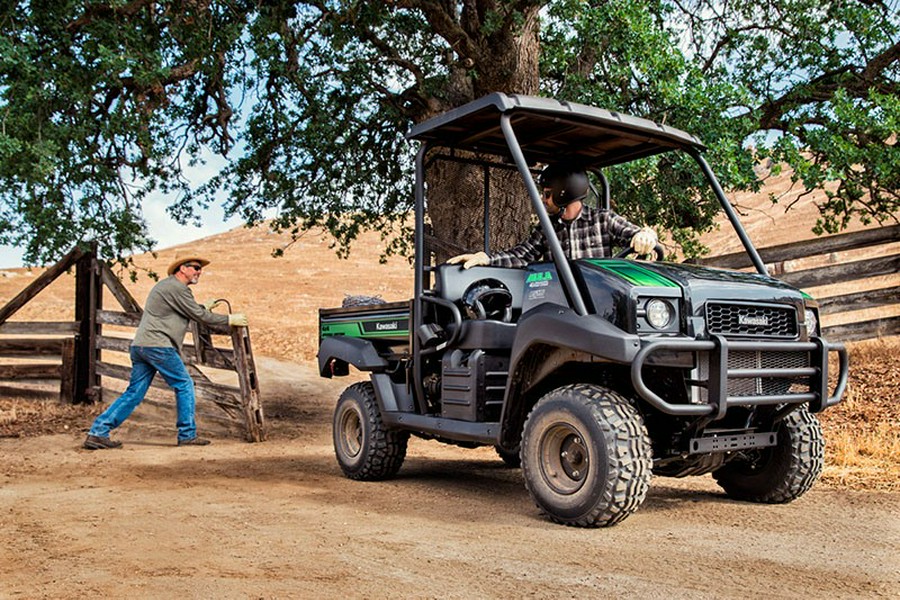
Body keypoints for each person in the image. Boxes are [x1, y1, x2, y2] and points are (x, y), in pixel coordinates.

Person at [83, 255, 249, 450]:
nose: (199, 271)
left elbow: (188, 310)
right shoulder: (177, 288)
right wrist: (229, 319)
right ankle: (187, 434)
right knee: (184, 383)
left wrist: (204, 306)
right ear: (182, 268)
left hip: (142, 346)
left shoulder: (170, 287)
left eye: (199, 268)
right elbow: (198, 315)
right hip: (158, 346)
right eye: (195, 267)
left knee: (134, 392)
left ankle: (98, 432)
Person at [447, 165, 658, 269]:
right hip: (561, 303)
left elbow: (637, 236)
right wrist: (487, 258)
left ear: (563, 193)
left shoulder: (603, 220)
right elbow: (523, 255)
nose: (544, 200)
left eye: (548, 194)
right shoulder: (546, 229)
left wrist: (646, 235)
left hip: (600, 302)